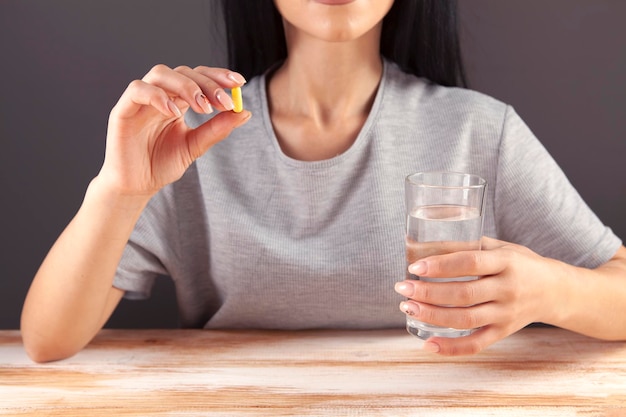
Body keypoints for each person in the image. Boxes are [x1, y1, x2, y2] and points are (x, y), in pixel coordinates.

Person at [21, 0, 626, 363]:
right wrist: (119, 191)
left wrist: (549, 291)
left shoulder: (478, 128)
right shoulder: (183, 139)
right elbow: (47, 342)